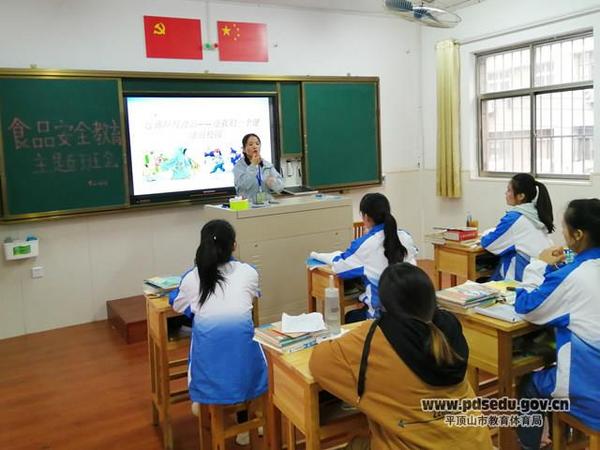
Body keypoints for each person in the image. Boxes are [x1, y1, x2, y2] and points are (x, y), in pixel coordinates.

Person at [310, 263, 493, 450]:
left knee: (357, 442)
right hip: (476, 442)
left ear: (382, 305)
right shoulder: (450, 327)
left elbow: (318, 362)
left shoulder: (374, 337)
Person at [169, 219, 267, 445]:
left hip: (208, 376)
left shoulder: (192, 278)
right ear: (234, 246)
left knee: (204, 340)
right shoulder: (248, 272)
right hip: (249, 370)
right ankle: (249, 420)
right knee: (248, 344)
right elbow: (248, 298)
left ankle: (207, 405)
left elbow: (178, 305)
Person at [514, 198, 600, 450]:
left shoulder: (573, 276)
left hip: (591, 393)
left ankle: (531, 446)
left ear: (578, 235)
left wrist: (538, 264)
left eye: (565, 229)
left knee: (529, 385)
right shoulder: (578, 271)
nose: (562, 234)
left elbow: (527, 307)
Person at [312, 193, 418, 320]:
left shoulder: (364, 244)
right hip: (411, 311)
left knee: (350, 317)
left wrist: (316, 255)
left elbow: (339, 268)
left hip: (380, 319)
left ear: (366, 217)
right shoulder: (405, 236)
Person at [481, 173, 554, 281]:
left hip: (522, 277)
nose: (506, 193)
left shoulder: (514, 218)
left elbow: (490, 243)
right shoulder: (536, 213)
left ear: (521, 196)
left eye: (509, 190)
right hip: (542, 273)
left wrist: (484, 235)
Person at [233, 133, 284, 203]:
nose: (255, 146)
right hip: (247, 206)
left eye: (257, 144)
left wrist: (273, 183)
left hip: (266, 205)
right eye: (250, 144)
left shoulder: (267, 165)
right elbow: (243, 186)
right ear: (244, 149)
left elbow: (280, 188)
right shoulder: (239, 166)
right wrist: (253, 166)